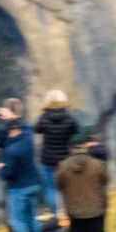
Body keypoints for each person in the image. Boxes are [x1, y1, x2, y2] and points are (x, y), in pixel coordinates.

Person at [55, 136, 108, 232]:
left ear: (70, 148)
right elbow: (105, 181)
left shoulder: (63, 166)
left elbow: (58, 186)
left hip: (74, 214)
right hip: (95, 212)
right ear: (85, 146)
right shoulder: (96, 164)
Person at [0, 101, 45, 232]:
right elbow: (21, 125)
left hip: (19, 187)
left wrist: (0, 168)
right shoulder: (28, 136)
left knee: (18, 219)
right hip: (34, 183)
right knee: (32, 216)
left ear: (10, 132)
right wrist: (11, 118)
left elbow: (7, 173)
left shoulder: (11, 151)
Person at [35, 90, 80, 218]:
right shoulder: (69, 118)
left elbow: (37, 129)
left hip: (47, 160)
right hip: (65, 159)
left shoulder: (44, 118)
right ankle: (67, 212)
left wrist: (44, 112)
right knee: (66, 186)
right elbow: (76, 130)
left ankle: (56, 214)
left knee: (50, 188)